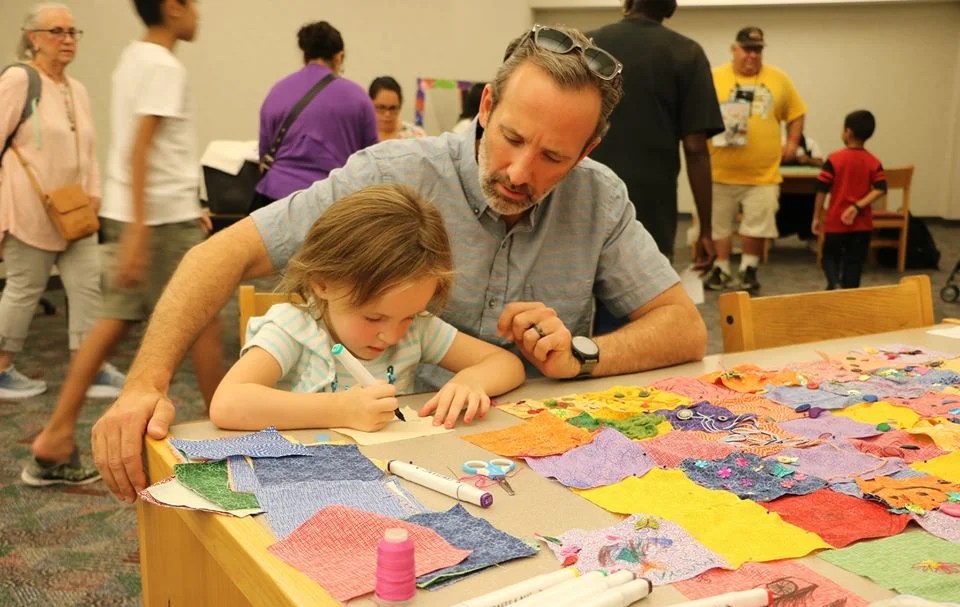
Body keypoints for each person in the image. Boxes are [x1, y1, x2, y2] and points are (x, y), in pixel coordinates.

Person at [93, 24, 707, 503]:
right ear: (487, 105)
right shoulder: (391, 176)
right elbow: (221, 254)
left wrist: (584, 355)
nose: (522, 175)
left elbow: (684, 327)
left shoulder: (599, 195)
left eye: (553, 156)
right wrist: (144, 385)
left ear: (588, 150)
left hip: (535, 459)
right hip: (392, 460)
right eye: (513, 140)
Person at [22, 0, 224, 486]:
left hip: (152, 215)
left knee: (115, 322)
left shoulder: (133, 58)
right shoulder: (162, 66)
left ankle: (55, 437)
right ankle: (234, 440)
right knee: (203, 320)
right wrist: (138, 231)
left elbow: (153, 150)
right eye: (192, 3)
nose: (198, 13)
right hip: (155, 223)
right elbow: (140, 149)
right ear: (172, 8)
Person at [211, 184, 525, 432]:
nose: (391, 335)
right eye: (374, 317)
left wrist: (470, 381)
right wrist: (340, 410)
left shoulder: (417, 330)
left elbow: (505, 363)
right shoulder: (294, 329)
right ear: (323, 283)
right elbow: (227, 403)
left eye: (409, 316)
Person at [0, 3, 126, 401]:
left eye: (73, 33)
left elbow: (87, 152)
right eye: (57, 31)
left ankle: (89, 368)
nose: (68, 40)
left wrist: (94, 195)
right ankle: (1, 368)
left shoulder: (77, 89)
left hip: (76, 213)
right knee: (24, 289)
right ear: (33, 38)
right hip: (28, 211)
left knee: (88, 285)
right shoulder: (19, 80)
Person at [588, 0, 723, 266]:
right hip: (651, 210)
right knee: (643, 301)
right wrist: (705, 229)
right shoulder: (687, 53)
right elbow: (695, 148)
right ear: (670, 7)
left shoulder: (589, 44)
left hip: (587, 194)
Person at [704, 26, 807, 293]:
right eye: (747, 49)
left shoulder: (778, 79)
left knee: (757, 224)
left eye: (757, 50)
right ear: (734, 49)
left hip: (762, 173)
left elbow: (797, 112)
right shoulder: (713, 78)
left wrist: (793, 141)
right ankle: (722, 268)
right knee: (719, 224)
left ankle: (749, 268)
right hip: (718, 170)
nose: (752, 55)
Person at [250, 21, 377, 210]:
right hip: (332, 205)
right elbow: (370, 162)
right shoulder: (359, 98)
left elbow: (264, 155)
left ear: (305, 57)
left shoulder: (277, 92)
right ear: (339, 57)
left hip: (276, 202)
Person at [812, 110, 886, 290]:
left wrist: (816, 216)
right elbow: (880, 188)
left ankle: (834, 284)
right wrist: (857, 206)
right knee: (855, 263)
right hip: (862, 225)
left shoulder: (834, 159)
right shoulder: (873, 161)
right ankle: (849, 293)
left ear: (848, 132)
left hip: (836, 221)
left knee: (829, 257)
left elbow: (822, 189)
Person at [775, 132, 823, 243]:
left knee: (810, 202)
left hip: (806, 187)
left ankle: (810, 237)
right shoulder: (779, 142)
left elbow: (821, 163)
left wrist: (808, 160)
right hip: (782, 185)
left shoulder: (810, 143)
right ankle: (771, 236)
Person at [368, 76, 426, 141]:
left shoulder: (416, 136)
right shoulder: (360, 135)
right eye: (381, 108)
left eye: (393, 108)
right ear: (369, 105)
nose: (387, 114)